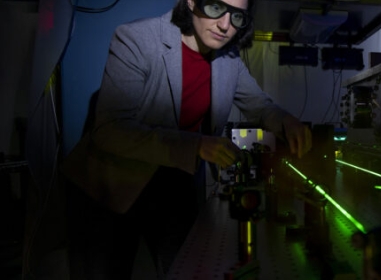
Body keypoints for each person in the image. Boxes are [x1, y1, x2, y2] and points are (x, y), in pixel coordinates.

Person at [60, 0, 312, 278]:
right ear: (191, 2)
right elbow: (110, 130)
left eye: (237, 16)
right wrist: (197, 145)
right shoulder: (137, 39)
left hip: (172, 181)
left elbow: (260, 106)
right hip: (109, 186)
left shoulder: (229, 60)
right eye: (216, 8)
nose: (225, 25)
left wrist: (287, 121)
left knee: (187, 269)